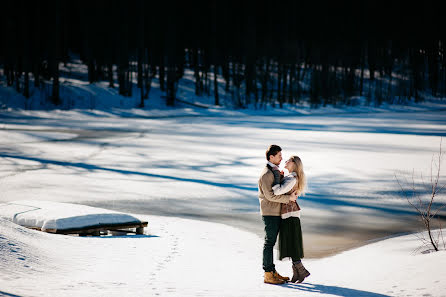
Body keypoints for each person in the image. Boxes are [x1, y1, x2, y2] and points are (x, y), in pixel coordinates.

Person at [258, 145, 298, 284]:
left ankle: (273, 272)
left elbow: (280, 189)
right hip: (270, 213)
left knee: (272, 242)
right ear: (271, 157)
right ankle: (268, 274)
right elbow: (270, 196)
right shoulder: (266, 174)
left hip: (276, 212)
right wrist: (289, 199)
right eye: (279, 155)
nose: (282, 158)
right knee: (269, 243)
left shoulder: (274, 171)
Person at [272, 155, 310, 283]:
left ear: (294, 163)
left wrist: (277, 178)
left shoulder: (292, 178)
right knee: (290, 243)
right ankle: (298, 273)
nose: (285, 161)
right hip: (289, 213)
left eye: (288, 160)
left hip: (290, 214)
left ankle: (301, 270)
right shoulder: (290, 177)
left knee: (292, 243)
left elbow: (277, 191)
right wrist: (281, 176)